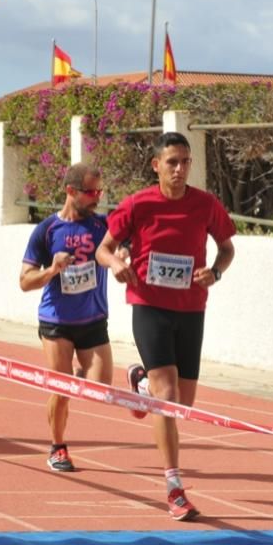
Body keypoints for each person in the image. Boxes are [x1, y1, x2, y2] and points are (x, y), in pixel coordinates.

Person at [96, 131, 236, 522]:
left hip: (191, 308)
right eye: (172, 162)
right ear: (156, 165)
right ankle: (174, 487)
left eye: (185, 162)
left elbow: (227, 248)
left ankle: (141, 384)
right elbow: (103, 248)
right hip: (149, 305)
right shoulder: (138, 204)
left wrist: (216, 272)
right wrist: (116, 264)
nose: (179, 169)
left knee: (182, 405)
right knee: (169, 396)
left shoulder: (205, 204)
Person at [19, 163, 113, 472]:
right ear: (70, 191)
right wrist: (52, 270)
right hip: (56, 322)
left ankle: (78, 376)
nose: (97, 198)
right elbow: (25, 281)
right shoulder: (47, 230)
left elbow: (125, 244)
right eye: (91, 192)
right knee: (60, 390)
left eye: (100, 191)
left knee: (100, 389)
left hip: (93, 320)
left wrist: (123, 255)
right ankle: (57, 447)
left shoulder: (103, 226)